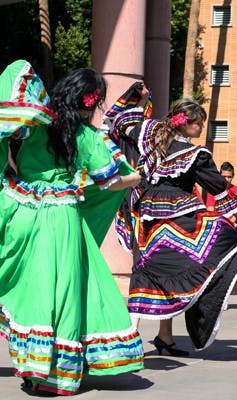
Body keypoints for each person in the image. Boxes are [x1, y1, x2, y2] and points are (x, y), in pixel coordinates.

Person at [108, 88, 237, 352]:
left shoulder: (148, 134)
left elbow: (121, 122)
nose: (202, 128)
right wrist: (236, 221)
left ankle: (163, 337)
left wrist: (139, 99)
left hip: (143, 216)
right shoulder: (195, 155)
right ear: (187, 123)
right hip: (176, 222)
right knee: (204, 257)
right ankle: (128, 338)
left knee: (152, 270)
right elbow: (219, 188)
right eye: (200, 123)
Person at [0, 60, 144, 395]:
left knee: (31, 289)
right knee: (61, 295)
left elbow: (15, 71)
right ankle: (53, 375)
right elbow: (109, 182)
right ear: (91, 103)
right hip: (61, 220)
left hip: (21, 211)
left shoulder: (34, 122)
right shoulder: (86, 136)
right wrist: (136, 177)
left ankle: (32, 366)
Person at [206, 161, 237, 312]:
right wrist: (228, 219)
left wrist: (235, 219)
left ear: (233, 177)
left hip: (236, 234)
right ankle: (223, 299)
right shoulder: (213, 192)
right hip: (220, 235)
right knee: (220, 268)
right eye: (224, 176)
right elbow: (211, 212)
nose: (226, 179)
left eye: (229, 177)